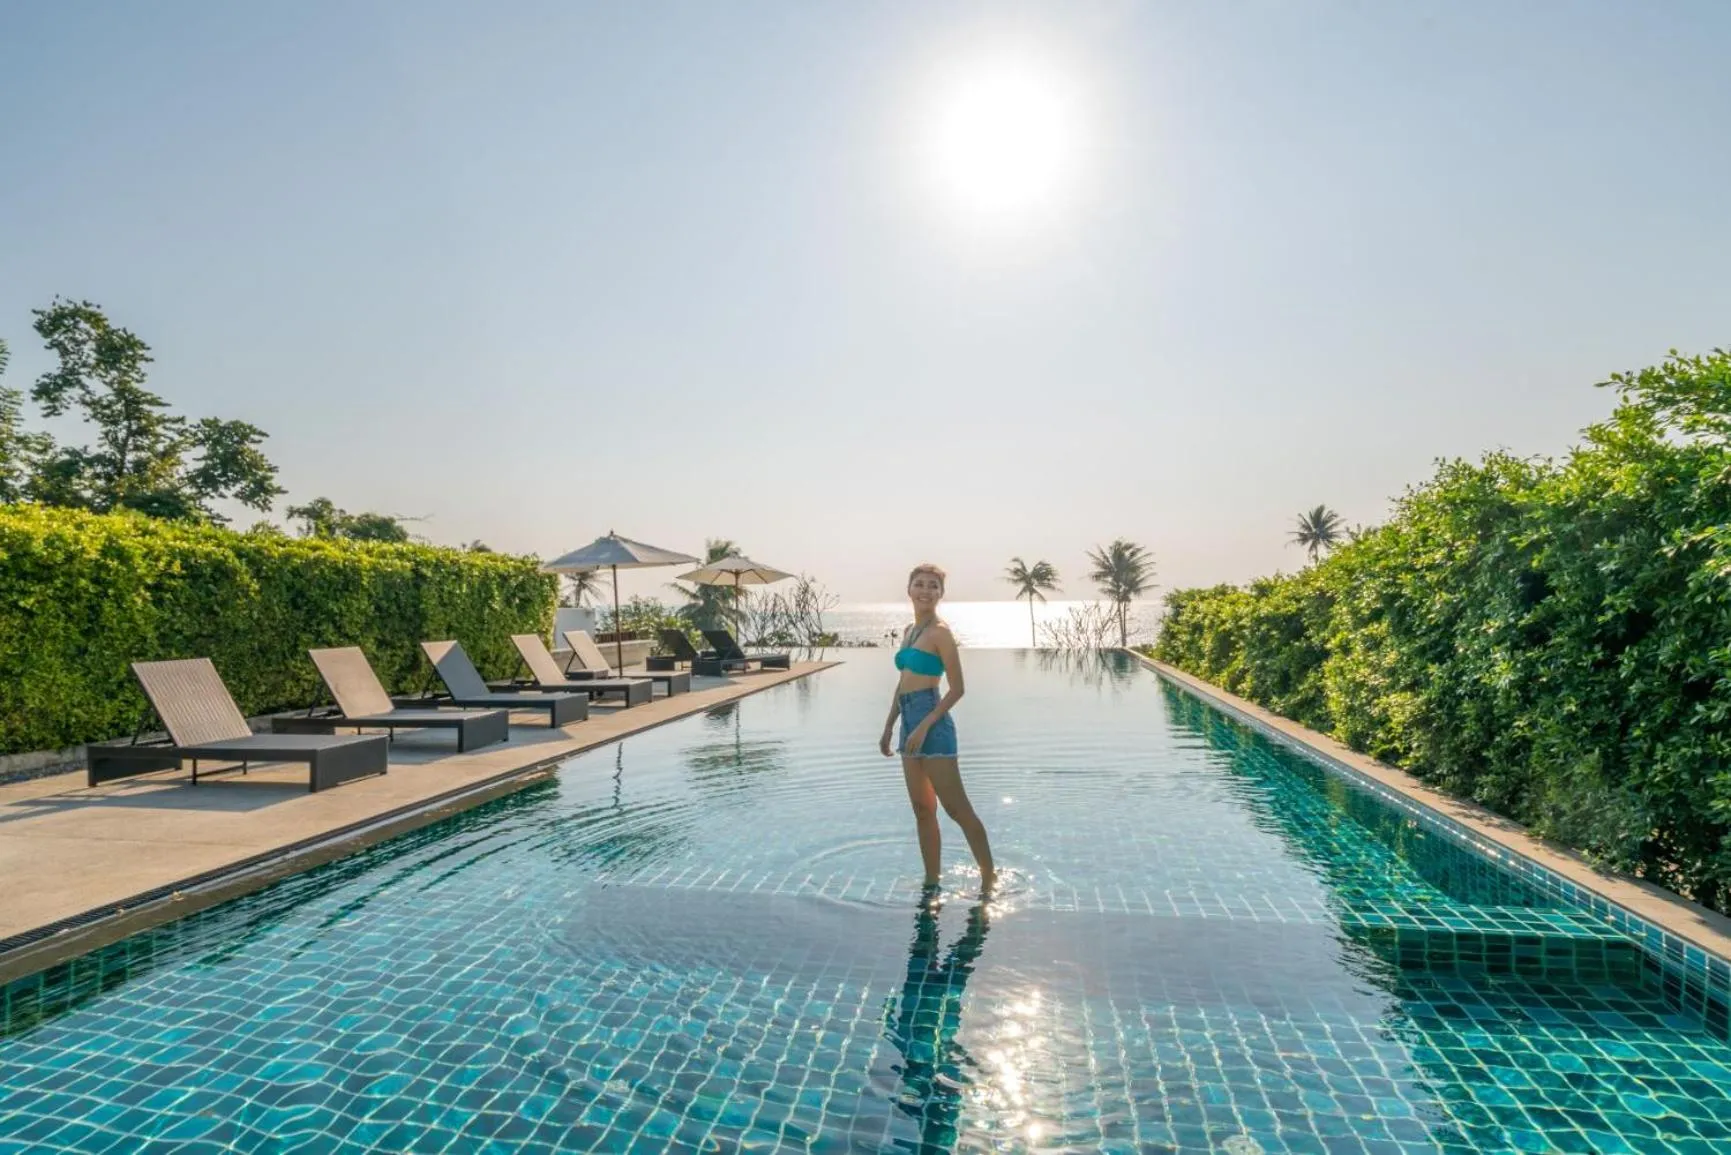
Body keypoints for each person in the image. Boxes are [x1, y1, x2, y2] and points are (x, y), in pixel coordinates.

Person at [879, 563, 995, 895]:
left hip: (933, 722)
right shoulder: (908, 631)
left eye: (933, 586)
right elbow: (901, 685)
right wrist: (890, 726)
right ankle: (932, 880)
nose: (925, 590)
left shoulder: (941, 633)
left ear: (941, 594)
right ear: (909, 589)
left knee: (957, 809)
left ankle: (989, 877)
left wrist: (923, 727)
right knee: (922, 809)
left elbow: (957, 688)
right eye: (919, 584)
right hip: (908, 723)